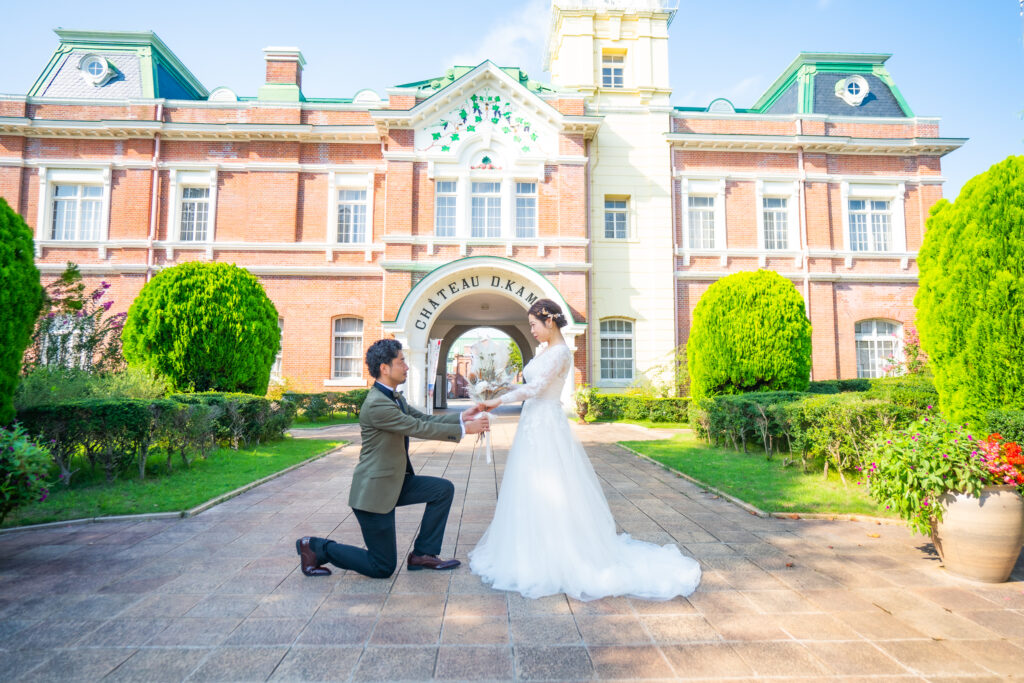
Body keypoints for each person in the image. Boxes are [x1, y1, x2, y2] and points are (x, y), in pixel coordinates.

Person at [470, 299, 701, 600]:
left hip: (546, 425)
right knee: (530, 485)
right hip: (533, 423)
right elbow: (528, 385)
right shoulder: (544, 352)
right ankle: (529, 546)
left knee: (553, 481)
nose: (532, 331)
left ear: (548, 322)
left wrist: (497, 400)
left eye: (533, 325)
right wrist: (495, 391)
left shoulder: (562, 353)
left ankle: (558, 554)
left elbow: (535, 389)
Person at [296, 338, 489, 578]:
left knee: (442, 490)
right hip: (374, 494)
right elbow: (416, 427)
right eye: (401, 361)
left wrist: (463, 418)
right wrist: (464, 431)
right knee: (382, 567)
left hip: (394, 483)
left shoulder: (394, 397)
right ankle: (315, 547)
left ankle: (423, 554)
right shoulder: (378, 404)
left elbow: (425, 419)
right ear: (384, 368)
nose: (406, 367)